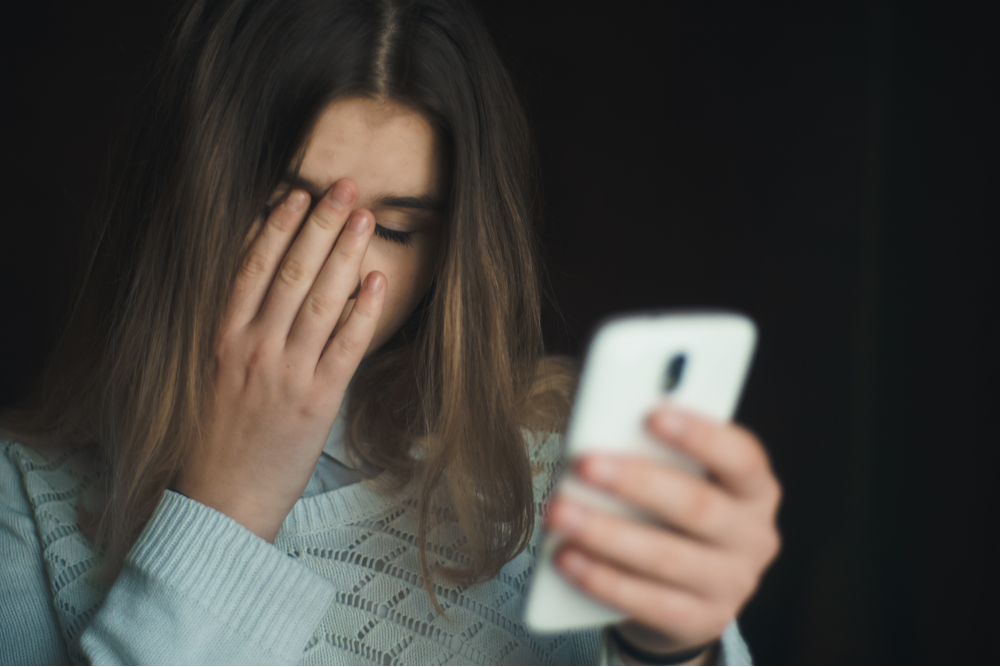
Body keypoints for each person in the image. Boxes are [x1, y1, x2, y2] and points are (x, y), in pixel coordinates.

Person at [0, 0, 781, 663]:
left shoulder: (557, 470)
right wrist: (228, 509)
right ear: (185, 195)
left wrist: (674, 647)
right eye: (290, 209)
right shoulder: (23, 505)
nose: (337, 277)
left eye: (398, 231)